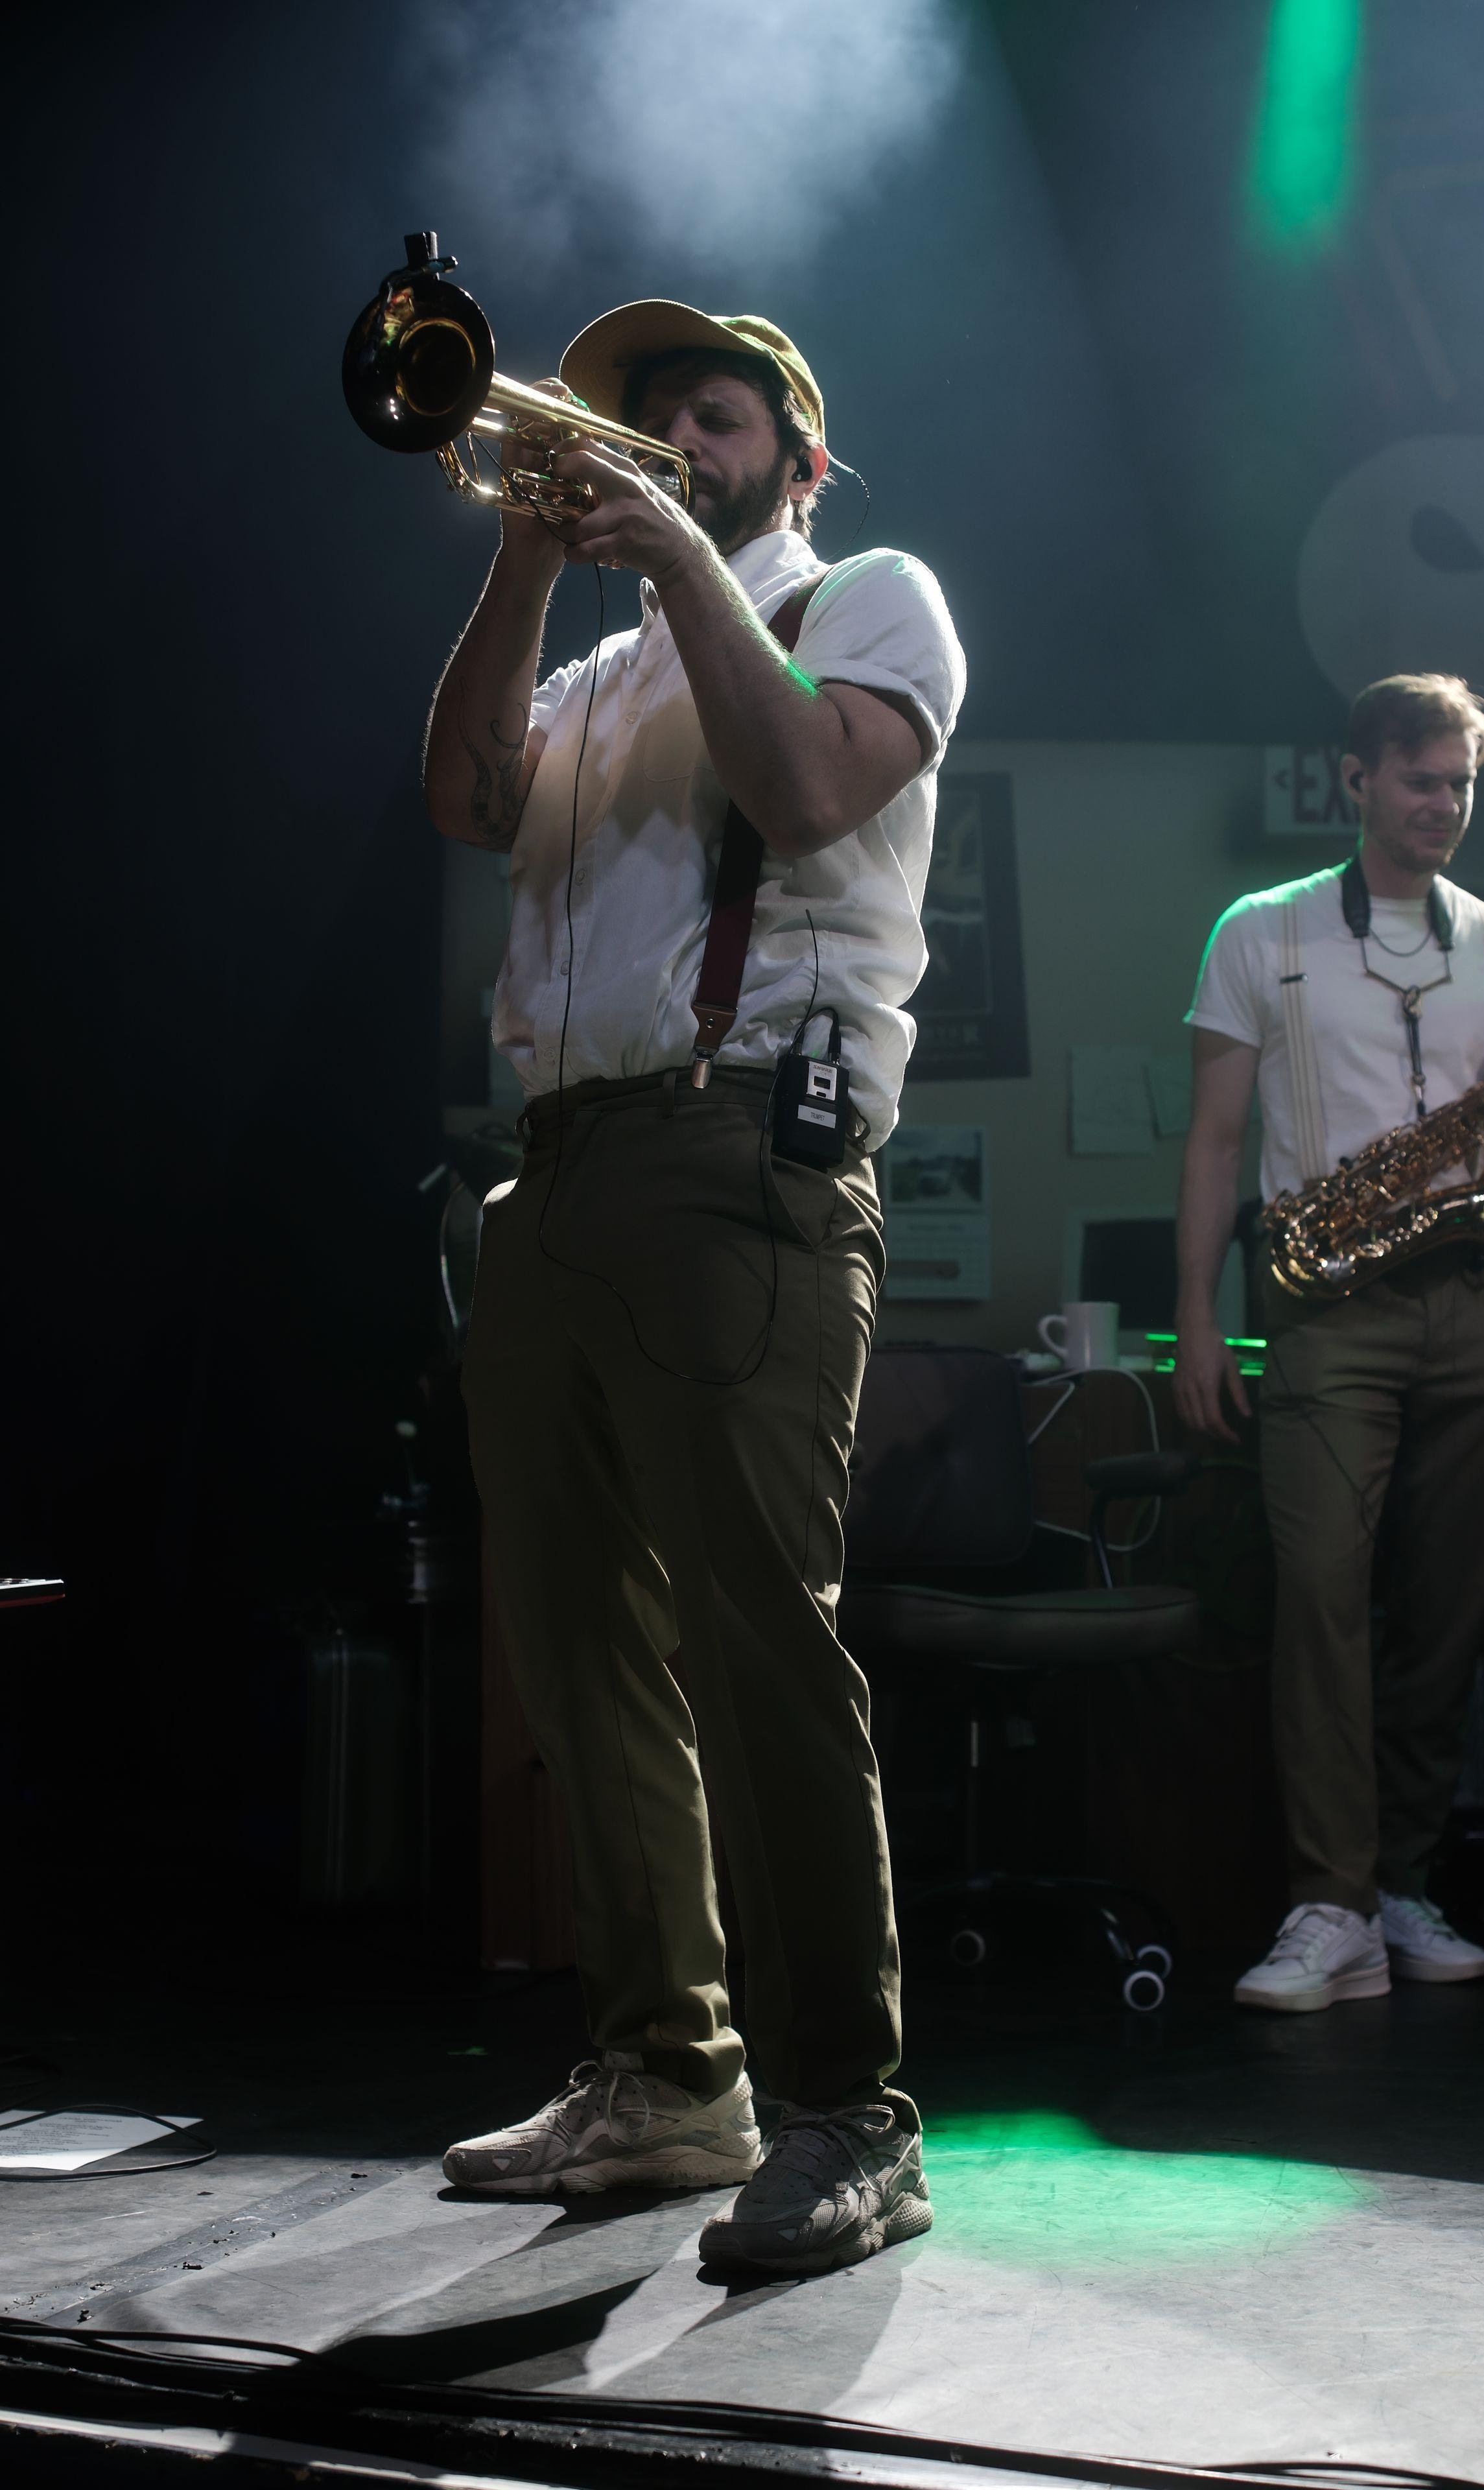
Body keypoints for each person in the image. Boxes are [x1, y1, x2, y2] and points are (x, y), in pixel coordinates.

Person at [425, 298, 965, 2270]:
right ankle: (669, 2076)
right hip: (559, 1170)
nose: (667, 446)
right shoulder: (592, 668)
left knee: (759, 1644)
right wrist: (517, 560)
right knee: (578, 1650)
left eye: (711, 421)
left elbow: (809, 790)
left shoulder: (866, 599)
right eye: (647, 425)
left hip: (740, 1159)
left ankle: (850, 2115)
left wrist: (669, 551)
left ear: (797, 460)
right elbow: (466, 804)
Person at [1174, 674, 1484, 2011]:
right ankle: (1327, 1902)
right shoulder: (1261, 930)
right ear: (1355, 778)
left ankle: (1397, 1883)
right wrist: (1197, 1320)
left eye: (1460, 783)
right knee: (1319, 1601)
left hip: (1477, 1300)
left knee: (1447, 1607)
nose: (1443, 806)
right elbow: (1214, 1143)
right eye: (1419, 780)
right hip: (1327, 1305)